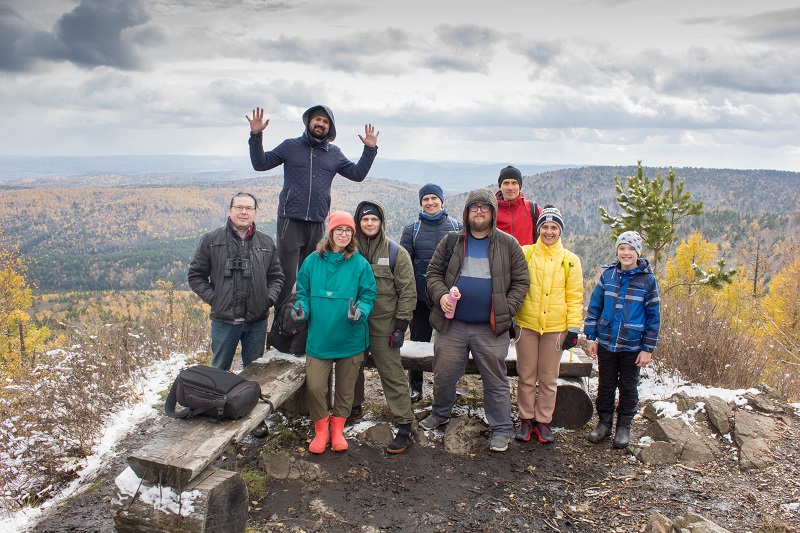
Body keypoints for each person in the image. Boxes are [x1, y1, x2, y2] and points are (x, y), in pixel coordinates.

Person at [419, 189, 529, 452]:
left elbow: (521, 282)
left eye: (485, 207)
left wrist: (506, 309)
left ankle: (501, 428)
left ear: (493, 212)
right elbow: (432, 273)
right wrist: (441, 294)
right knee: (444, 373)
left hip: (491, 327)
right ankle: (441, 412)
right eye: (474, 207)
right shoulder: (451, 242)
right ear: (467, 212)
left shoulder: (508, 244)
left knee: (495, 379)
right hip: (453, 324)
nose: (479, 211)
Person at [247, 105, 379, 309]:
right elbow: (260, 163)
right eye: (317, 119)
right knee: (286, 276)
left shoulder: (334, 154)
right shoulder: (290, 146)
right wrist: (256, 135)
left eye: (326, 121)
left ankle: (305, 323)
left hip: (317, 222)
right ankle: (281, 329)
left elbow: (357, 174)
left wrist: (369, 150)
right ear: (308, 121)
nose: (321, 123)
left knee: (313, 277)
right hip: (290, 220)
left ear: (330, 127)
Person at [188, 192, 284, 438]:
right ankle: (212, 411)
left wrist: (267, 300)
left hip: (256, 320)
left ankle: (254, 418)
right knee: (219, 369)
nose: (244, 212)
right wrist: (216, 299)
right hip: (224, 321)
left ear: (255, 212)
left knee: (254, 371)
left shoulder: (265, 242)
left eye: (249, 208)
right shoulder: (212, 240)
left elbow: (277, 276)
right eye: (239, 207)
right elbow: (196, 275)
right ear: (230, 210)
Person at [292, 211, 376, 454]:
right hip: (320, 337)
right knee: (315, 387)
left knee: (346, 388)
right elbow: (303, 293)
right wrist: (302, 311)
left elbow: (368, 295)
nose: (343, 234)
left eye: (348, 230)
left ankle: (337, 428)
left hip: (350, 337)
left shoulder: (359, 263)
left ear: (353, 235)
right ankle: (321, 429)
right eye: (339, 229)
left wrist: (360, 311)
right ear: (330, 233)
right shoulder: (312, 261)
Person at [583, 231, 661, 449]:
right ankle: (604, 423)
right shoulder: (607, 276)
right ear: (617, 251)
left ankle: (624, 426)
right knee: (606, 384)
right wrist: (591, 336)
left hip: (633, 345)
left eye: (630, 249)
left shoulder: (648, 280)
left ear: (638, 252)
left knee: (628, 386)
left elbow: (654, 316)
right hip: (607, 341)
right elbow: (595, 307)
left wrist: (648, 348)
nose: (626, 253)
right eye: (622, 248)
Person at [513, 206, 584, 444]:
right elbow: (514, 285)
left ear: (560, 231)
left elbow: (575, 297)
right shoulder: (526, 253)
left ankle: (543, 421)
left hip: (555, 327)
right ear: (538, 229)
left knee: (548, 377)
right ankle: (525, 418)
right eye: (545, 226)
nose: (549, 231)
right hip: (526, 324)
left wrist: (573, 328)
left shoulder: (570, 261)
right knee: (525, 375)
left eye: (554, 227)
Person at [351, 200, 417, 453]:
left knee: (391, 372)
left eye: (374, 220)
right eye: (365, 219)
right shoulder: (349, 250)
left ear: (381, 222)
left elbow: (407, 291)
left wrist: (401, 325)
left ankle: (404, 424)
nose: (369, 224)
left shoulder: (395, 253)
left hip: (384, 324)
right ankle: (352, 409)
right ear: (358, 222)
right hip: (354, 323)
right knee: (350, 368)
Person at [399, 183, 460, 402]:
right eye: (426, 199)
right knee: (418, 342)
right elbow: (403, 264)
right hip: (421, 298)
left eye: (434, 198)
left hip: (448, 298)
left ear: (442, 201)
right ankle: (415, 385)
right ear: (421, 203)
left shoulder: (455, 227)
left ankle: (447, 386)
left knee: (450, 345)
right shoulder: (412, 229)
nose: (430, 202)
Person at [495, 165, 541, 246]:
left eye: (514, 183)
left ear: (519, 186)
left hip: (526, 258)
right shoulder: (492, 210)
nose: (510, 187)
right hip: (499, 258)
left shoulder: (533, 209)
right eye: (506, 183)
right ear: (500, 186)